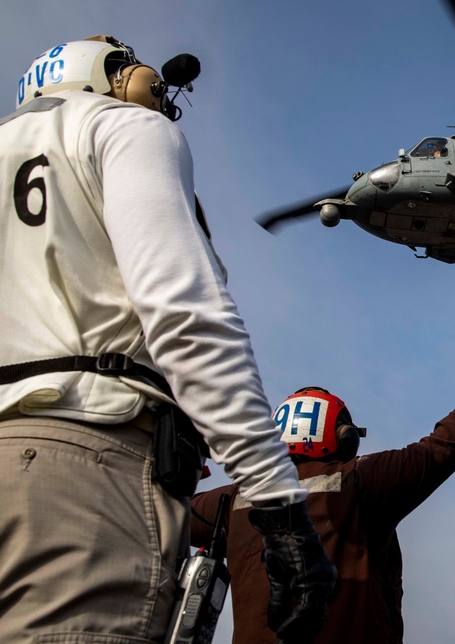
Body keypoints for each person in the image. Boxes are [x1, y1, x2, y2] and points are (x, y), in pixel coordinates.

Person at [0, 36, 335, 643]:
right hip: (87, 471)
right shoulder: (122, 127)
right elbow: (185, 316)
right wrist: (277, 501)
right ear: (116, 77)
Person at [190, 310, 455, 644]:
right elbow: (450, 441)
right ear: (343, 436)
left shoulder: (231, 500)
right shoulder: (363, 481)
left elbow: (169, 512)